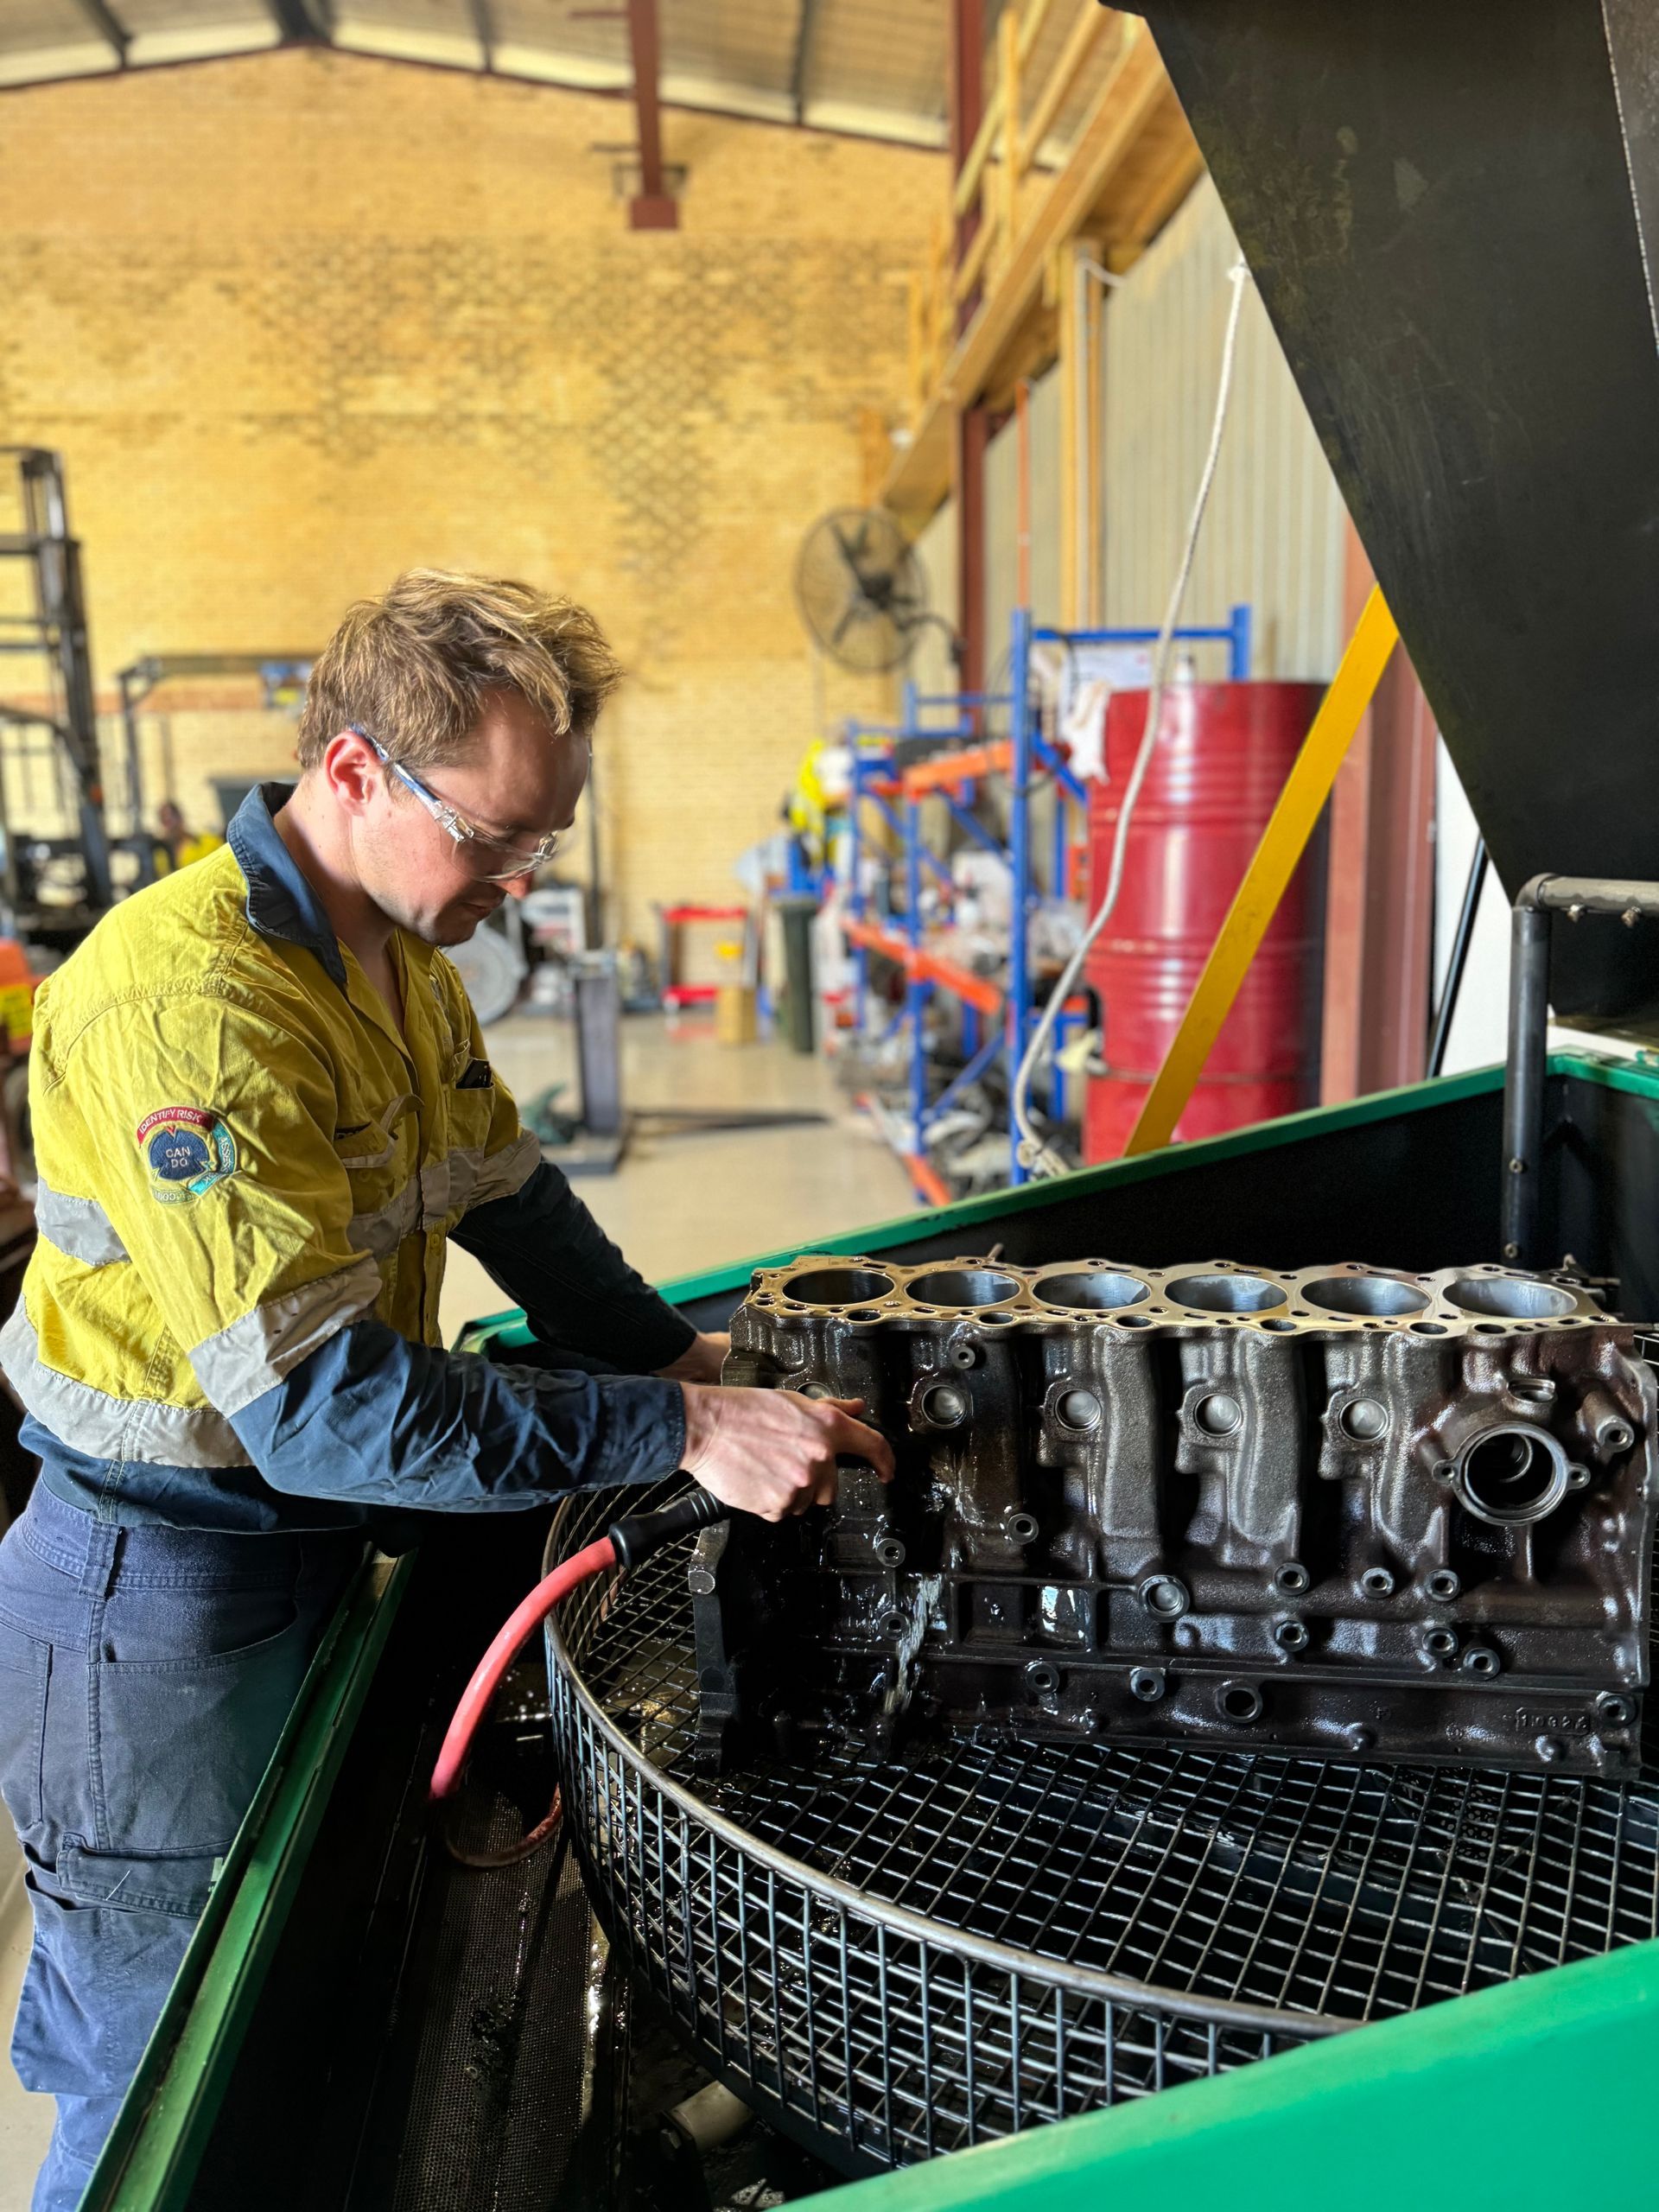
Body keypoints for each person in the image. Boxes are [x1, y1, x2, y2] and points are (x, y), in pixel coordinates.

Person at [0, 570, 893, 2212]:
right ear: (354, 770)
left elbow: (513, 1200)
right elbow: (323, 1409)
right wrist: (687, 1428)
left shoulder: (401, 962)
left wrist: (680, 1356)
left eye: (543, 842)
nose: (518, 882)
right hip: (157, 1601)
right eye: (494, 839)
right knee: (156, 2095)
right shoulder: (192, 1004)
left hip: (302, 1548)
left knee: (291, 2032)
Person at [150, 797, 224, 874]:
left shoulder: (208, 842)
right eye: (164, 821)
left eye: (170, 820)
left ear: (180, 818)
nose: (170, 827)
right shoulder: (161, 855)